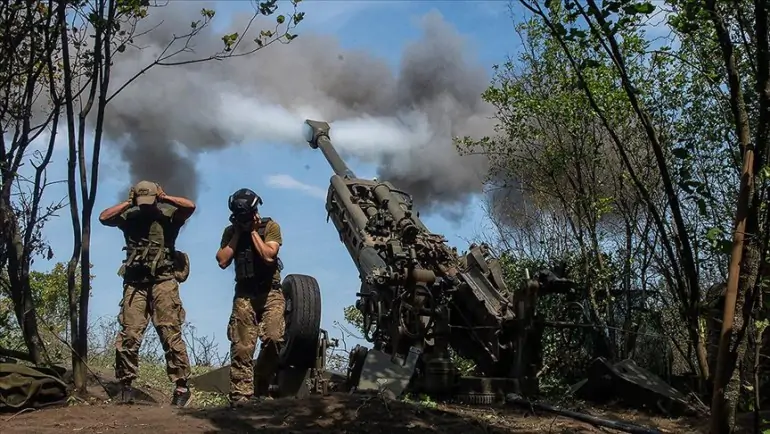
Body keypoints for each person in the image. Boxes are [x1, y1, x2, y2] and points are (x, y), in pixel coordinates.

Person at [98, 180, 196, 407]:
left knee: (170, 334)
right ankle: (125, 386)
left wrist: (165, 197)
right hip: (135, 283)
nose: (145, 207)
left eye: (148, 202)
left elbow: (189, 206)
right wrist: (128, 202)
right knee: (129, 335)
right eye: (141, 202)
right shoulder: (129, 216)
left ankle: (182, 387)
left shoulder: (168, 216)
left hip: (163, 281)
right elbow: (104, 218)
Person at [215, 188, 285, 407]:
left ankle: (261, 379)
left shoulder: (270, 227)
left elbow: (267, 255)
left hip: (270, 292)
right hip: (244, 294)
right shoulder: (230, 232)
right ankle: (241, 396)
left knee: (274, 338)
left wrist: (253, 232)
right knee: (242, 346)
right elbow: (222, 260)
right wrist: (238, 233)